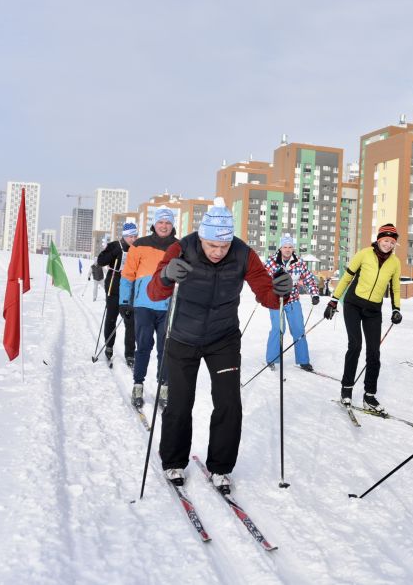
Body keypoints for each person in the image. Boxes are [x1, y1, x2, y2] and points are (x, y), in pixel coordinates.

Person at [147, 198, 292, 490]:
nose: (217, 252)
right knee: (179, 402)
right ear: (201, 237)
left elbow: (265, 293)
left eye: (223, 247)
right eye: (212, 245)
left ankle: (221, 467)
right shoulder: (182, 248)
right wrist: (166, 275)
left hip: (222, 338)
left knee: (229, 404)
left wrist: (280, 291)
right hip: (182, 336)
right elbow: (153, 293)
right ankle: (174, 462)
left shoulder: (243, 254)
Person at [324, 223, 401, 414]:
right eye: (385, 240)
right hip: (353, 304)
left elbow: (395, 288)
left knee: (374, 352)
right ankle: (346, 390)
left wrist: (396, 309)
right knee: (355, 345)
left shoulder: (395, 263)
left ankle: (369, 396)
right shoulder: (364, 254)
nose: (388, 244)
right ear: (379, 239)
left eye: (392, 242)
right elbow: (347, 278)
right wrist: (334, 301)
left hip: (374, 310)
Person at [120, 209, 177, 409]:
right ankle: (138, 385)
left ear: (172, 225)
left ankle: (164, 387)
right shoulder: (139, 244)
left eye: (167, 222)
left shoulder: (179, 247)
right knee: (143, 346)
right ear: (154, 224)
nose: (164, 226)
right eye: (160, 222)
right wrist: (125, 301)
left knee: (166, 349)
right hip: (143, 305)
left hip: (168, 307)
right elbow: (128, 274)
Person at [264, 234, 320, 370]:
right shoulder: (271, 262)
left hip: (293, 300)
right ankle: (271, 359)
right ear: (280, 248)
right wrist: (262, 294)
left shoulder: (299, 262)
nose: (287, 250)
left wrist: (314, 294)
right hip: (276, 301)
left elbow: (309, 279)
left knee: (298, 329)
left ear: (293, 248)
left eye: (290, 247)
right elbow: (262, 279)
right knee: (278, 328)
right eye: (285, 247)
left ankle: (303, 360)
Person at [98, 223, 139, 367]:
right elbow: (100, 261)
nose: (133, 239)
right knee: (111, 318)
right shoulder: (115, 246)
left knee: (131, 321)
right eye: (130, 236)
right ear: (124, 235)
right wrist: (111, 252)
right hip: (114, 287)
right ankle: (109, 346)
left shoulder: (138, 248)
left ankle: (130, 354)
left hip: (130, 289)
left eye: (135, 236)